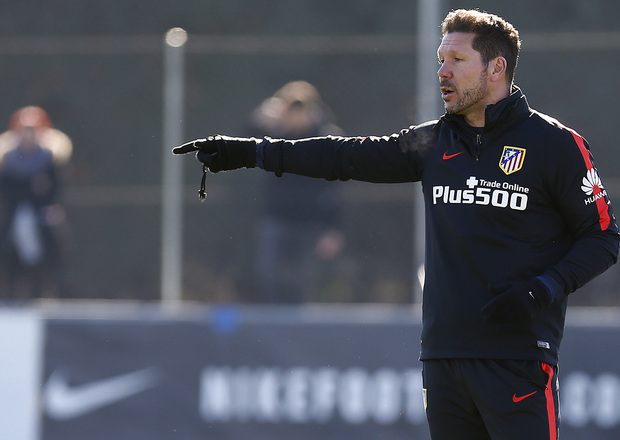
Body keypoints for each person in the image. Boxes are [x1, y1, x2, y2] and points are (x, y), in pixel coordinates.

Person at [173, 9, 619, 440]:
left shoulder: (555, 145)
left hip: (518, 358)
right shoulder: (434, 141)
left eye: (457, 59)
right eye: (440, 59)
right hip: (443, 358)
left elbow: (603, 238)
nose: (443, 71)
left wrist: (540, 290)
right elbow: (342, 156)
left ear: (496, 67)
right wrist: (249, 151)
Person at [246, 80, 345, 303]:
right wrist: (260, 118)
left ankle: (296, 321)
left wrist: (333, 228)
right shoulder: (273, 136)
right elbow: (243, 143)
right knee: (267, 274)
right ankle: (272, 318)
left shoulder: (325, 138)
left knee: (301, 280)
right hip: (276, 217)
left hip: (309, 221)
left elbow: (335, 188)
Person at [0, 106, 72, 300]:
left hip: (42, 211)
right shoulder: (7, 158)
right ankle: (10, 291)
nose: (28, 135)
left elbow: (54, 189)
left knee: (53, 238)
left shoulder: (51, 157)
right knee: (8, 244)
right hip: (15, 211)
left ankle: (47, 289)